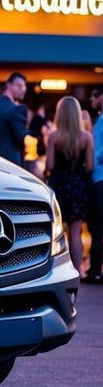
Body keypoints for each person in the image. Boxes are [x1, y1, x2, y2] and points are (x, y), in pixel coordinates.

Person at [46, 96, 95, 278]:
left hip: (59, 185)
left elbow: (50, 166)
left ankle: (58, 272)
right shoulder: (86, 137)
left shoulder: (54, 137)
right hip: (78, 185)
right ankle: (77, 271)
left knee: (57, 231)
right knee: (76, 231)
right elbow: (90, 166)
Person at [0, 72, 28, 165]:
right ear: (8, 85)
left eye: (24, 86)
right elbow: (21, 138)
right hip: (11, 165)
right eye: (19, 85)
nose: (23, 89)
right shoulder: (15, 109)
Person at [87, 87, 103, 284]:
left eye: (93, 97)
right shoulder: (99, 119)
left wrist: (93, 159)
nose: (91, 100)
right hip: (98, 178)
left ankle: (96, 270)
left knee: (98, 227)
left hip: (101, 178)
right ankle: (95, 269)